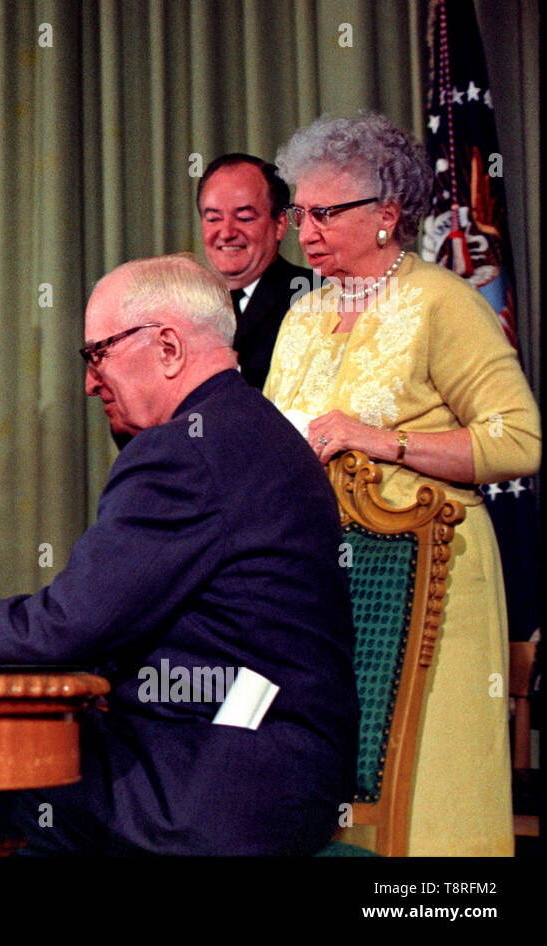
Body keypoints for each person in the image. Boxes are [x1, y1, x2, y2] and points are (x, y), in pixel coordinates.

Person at [0, 254, 358, 856]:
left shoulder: (183, 453)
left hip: (209, 784)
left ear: (168, 346)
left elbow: (67, 627)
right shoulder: (259, 428)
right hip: (273, 772)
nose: (90, 382)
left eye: (98, 353)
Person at [264, 112, 541, 855]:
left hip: (437, 583)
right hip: (330, 587)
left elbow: (519, 440)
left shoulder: (443, 303)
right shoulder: (302, 315)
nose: (304, 230)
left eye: (325, 213)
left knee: (433, 792)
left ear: (387, 216)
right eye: (298, 213)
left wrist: (384, 440)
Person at [198, 153, 313, 389]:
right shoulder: (187, 306)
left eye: (245, 218)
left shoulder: (313, 297)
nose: (227, 232)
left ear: (280, 224)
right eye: (213, 219)